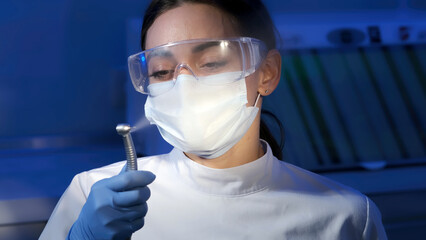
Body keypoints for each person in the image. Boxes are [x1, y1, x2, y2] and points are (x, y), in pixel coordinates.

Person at [40, 0, 388, 239]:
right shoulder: (94, 197)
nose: (185, 84)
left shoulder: (347, 217)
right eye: (162, 70)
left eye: (211, 63)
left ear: (266, 72)